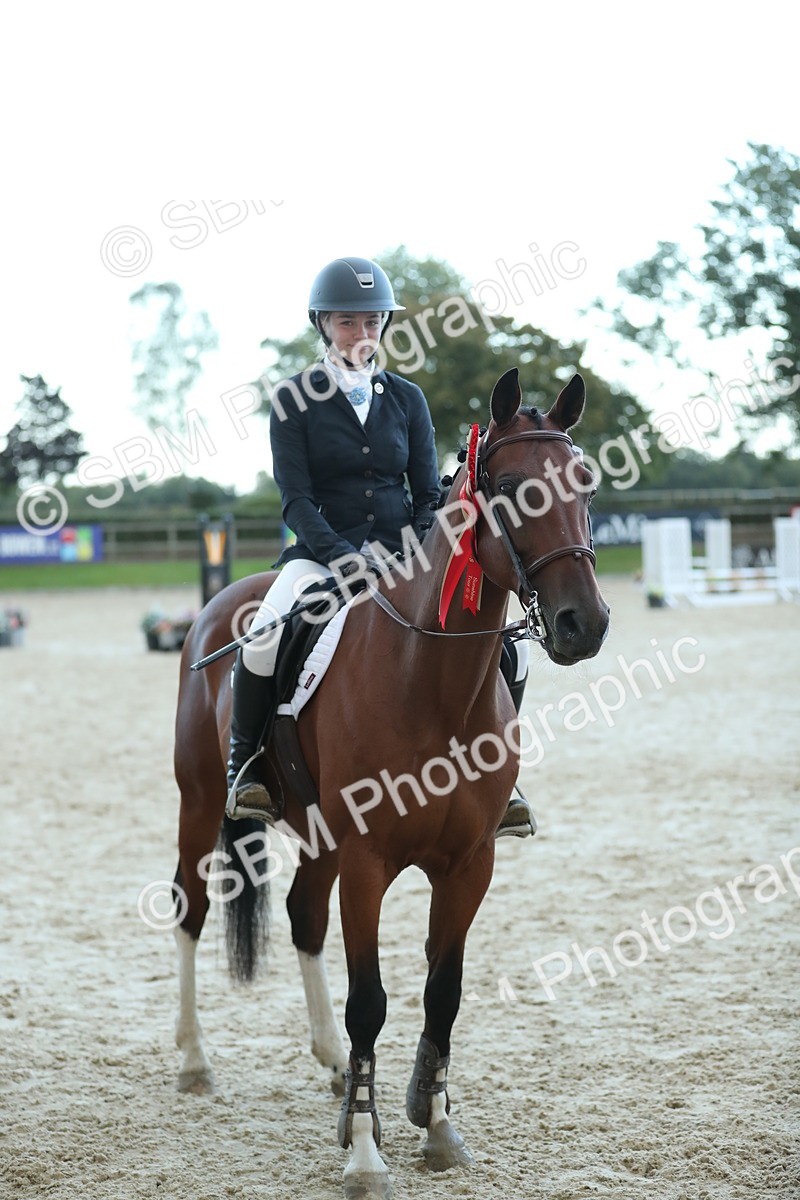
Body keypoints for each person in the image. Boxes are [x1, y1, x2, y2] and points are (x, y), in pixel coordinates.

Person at [225, 256, 534, 837]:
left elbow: (425, 494)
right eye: (348, 322)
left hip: (404, 554)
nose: (361, 335)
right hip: (321, 557)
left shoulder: (407, 399)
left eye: (371, 323)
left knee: (507, 647)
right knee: (263, 633)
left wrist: (415, 549)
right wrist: (343, 556)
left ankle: (501, 775)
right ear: (323, 325)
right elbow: (295, 500)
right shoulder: (293, 399)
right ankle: (247, 769)